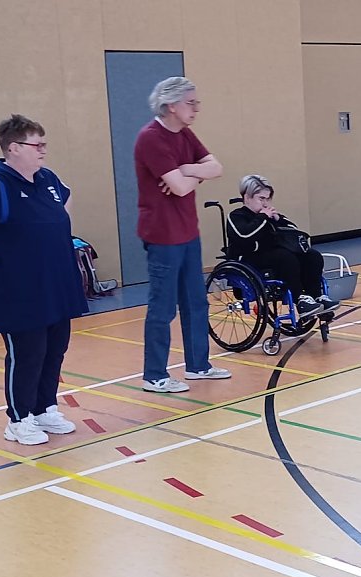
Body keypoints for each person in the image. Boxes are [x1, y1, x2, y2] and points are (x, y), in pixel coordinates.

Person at [0, 114, 88, 446]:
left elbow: (65, 199)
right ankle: (19, 418)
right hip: (18, 288)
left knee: (55, 348)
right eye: (37, 144)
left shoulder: (47, 178)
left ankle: (44, 407)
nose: (43, 150)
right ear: (13, 148)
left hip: (55, 282)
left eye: (43, 143)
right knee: (27, 352)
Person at [134, 76, 231, 393]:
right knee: (162, 307)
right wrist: (191, 173)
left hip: (189, 231)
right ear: (171, 105)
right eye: (191, 103)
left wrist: (188, 169)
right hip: (163, 235)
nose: (196, 109)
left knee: (196, 302)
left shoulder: (185, 135)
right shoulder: (151, 138)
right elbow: (175, 188)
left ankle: (198, 366)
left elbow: (216, 167)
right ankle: (155, 374)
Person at [226, 174, 340, 318]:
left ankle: (317, 297)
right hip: (250, 258)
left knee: (312, 256)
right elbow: (245, 236)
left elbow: (294, 232)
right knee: (285, 258)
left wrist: (278, 219)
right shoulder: (237, 216)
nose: (266, 203)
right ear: (247, 197)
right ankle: (300, 300)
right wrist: (263, 218)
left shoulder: (270, 215)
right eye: (261, 199)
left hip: (275, 255)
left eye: (268, 199)